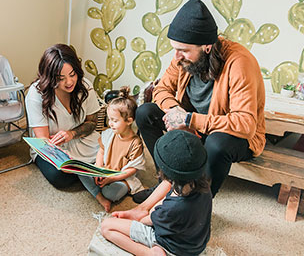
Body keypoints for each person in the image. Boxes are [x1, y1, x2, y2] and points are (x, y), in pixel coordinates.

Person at [133, 0, 266, 203]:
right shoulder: (181, 57)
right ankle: (166, 182)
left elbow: (246, 124)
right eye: (174, 48)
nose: (176, 56)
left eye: (184, 50)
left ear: (207, 47)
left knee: (217, 142)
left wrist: (189, 120)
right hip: (193, 125)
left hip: (235, 137)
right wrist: (177, 112)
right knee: (145, 112)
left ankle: (195, 202)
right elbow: (161, 90)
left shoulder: (240, 63)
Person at [102, 130, 212, 256]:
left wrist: (139, 219)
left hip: (173, 247)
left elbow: (147, 221)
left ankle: (149, 253)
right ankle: (141, 209)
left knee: (106, 226)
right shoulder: (204, 187)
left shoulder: (172, 209)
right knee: (167, 186)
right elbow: (168, 187)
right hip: (196, 243)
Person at [25, 44, 100, 188]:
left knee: (113, 152)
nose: (69, 82)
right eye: (61, 78)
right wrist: (61, 156)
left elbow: (92, 123)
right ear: (50, 77)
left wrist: (72, 134)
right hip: (52, 147)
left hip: (81, 139)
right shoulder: (36, 94)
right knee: (58, 176)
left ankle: (90, 174)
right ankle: (90, 175)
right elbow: (43, 140)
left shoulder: (85, 86)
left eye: (72, 75)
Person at [79, 86, 146, 211]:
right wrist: (98, 169)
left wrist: (112, 178)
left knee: (111, 192)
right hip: (104, 171)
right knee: (80, 171)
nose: (110, 123)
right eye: (109, 119)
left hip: (121, 177)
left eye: (114, 120)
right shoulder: (109, 133)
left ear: (129, 121)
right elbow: (101, 151)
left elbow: (131, 169)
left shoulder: (135, 143)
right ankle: (99, 197)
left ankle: (103, 192)